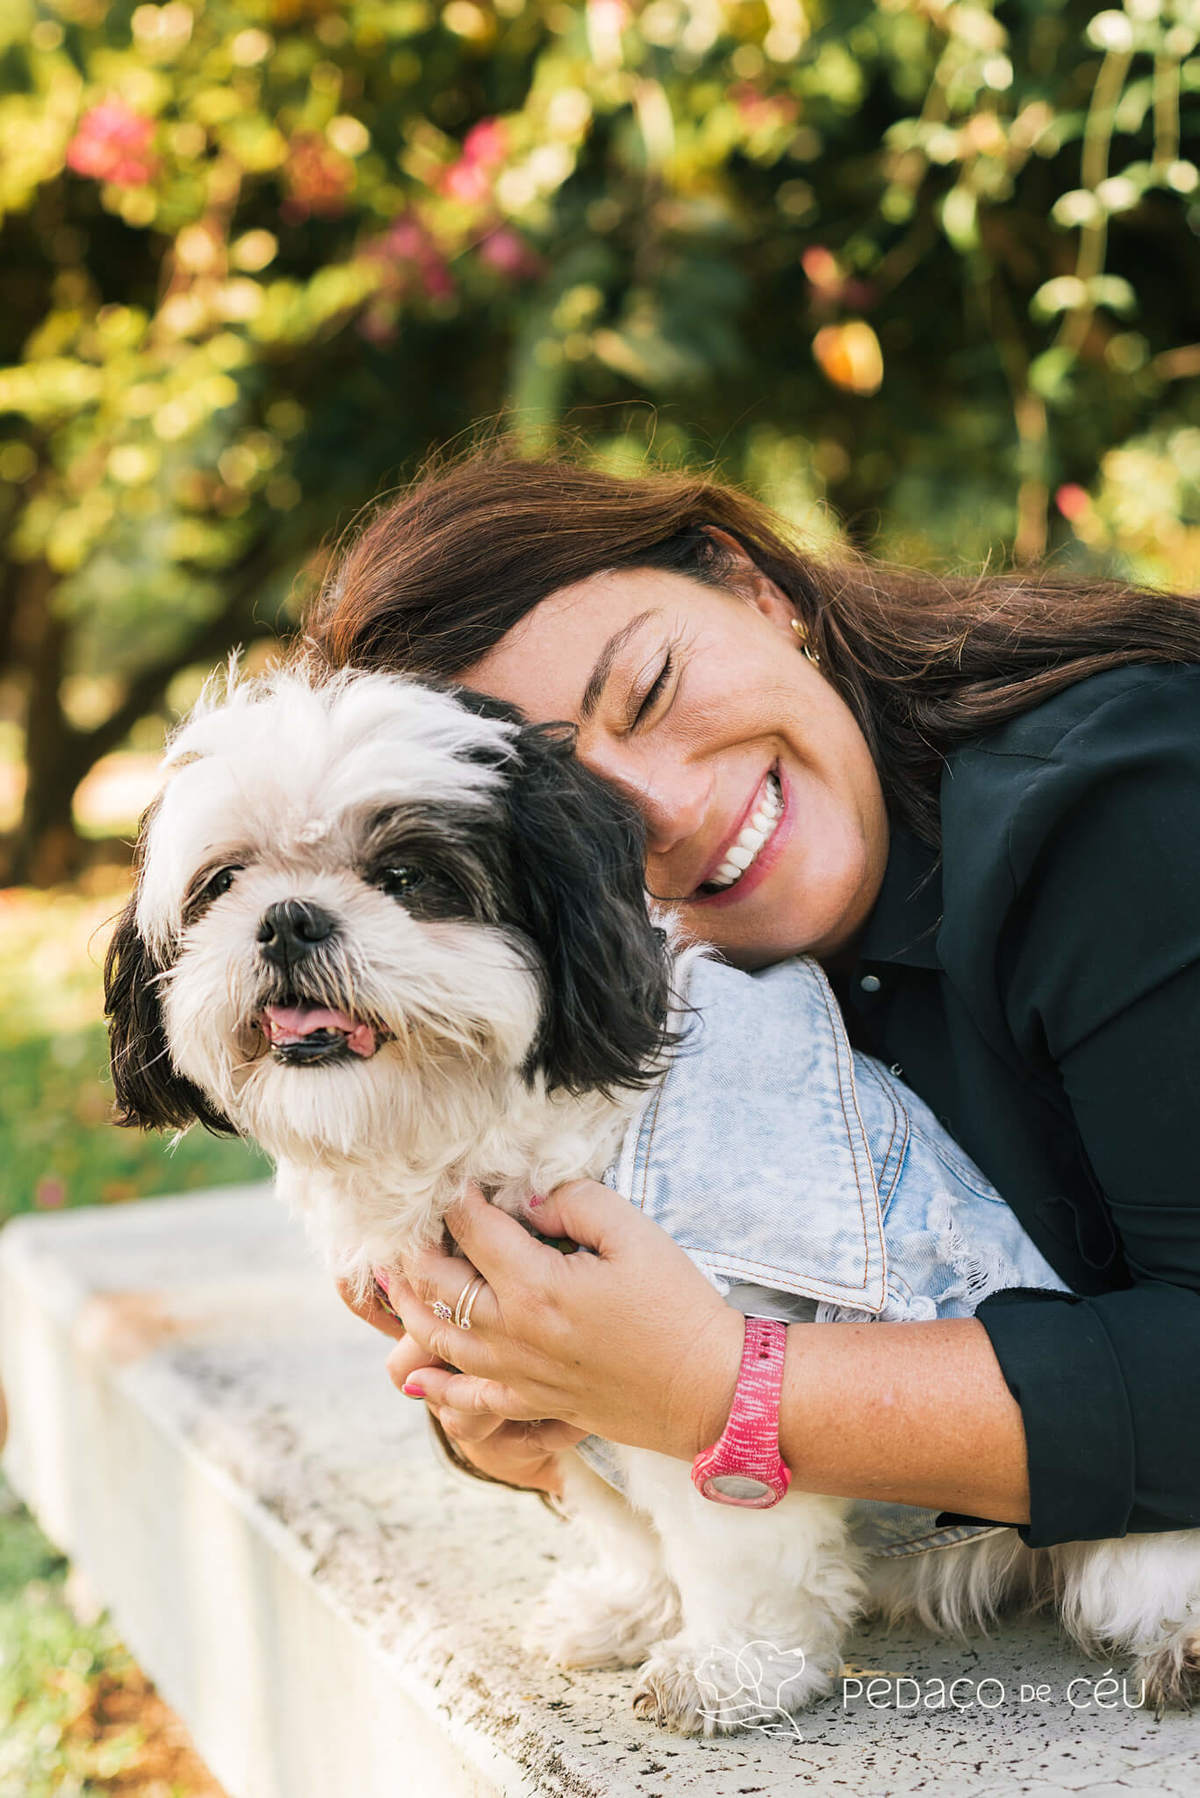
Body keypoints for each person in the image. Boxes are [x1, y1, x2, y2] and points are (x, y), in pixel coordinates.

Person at [308, 446, 1200, 1549]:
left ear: (754, 587)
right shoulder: (652, 982)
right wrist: (528, 1397)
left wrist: (717, 1389)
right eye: (580, 816)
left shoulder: (1127, 803)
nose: (670, 812)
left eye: (651, 689)